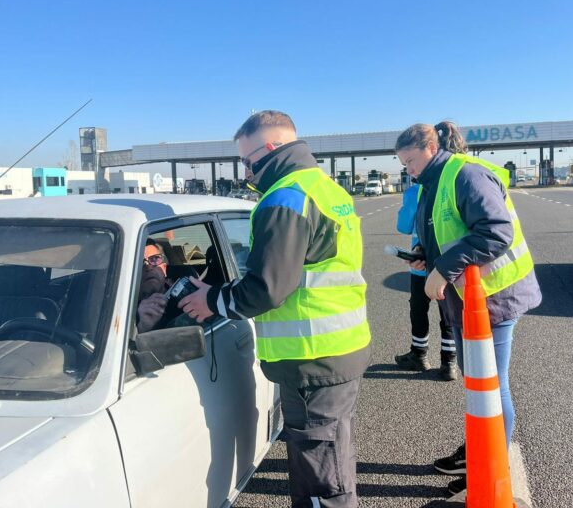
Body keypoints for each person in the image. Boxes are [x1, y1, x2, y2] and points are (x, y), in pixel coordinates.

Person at [178, 110, 371, 508]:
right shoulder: (325, 189)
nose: (247, 174)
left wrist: (210, 299)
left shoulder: (283, 199)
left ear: (270, 149)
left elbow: (266, 288)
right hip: (339, 348)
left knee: (322, 481)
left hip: (310, 358)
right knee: (334, 457)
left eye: (248, 162)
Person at [395, 120, 542, 497]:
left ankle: (491, 467)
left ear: (430, 148)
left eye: (410, 161)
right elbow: (448, 231)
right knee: (479, 386)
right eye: (404, 165)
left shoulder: (465, 175)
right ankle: (479, 451)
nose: (407, 170)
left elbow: (496, 231)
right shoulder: (432, 182)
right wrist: (423, 255)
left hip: (495, 298)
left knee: (491, 387)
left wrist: (442, 269)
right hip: (469, 301)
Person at [395, 181, 458, 380]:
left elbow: (403, 226)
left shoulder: (416, 191)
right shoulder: (453, 185)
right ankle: (449, 362)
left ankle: (419, 354)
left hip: (421, 263)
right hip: (449, 262)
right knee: (448, 312)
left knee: (418, 308)